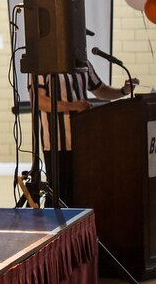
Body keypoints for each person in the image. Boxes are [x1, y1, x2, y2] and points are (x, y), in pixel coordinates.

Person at [30, 66, 135, 206]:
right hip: (57, 142)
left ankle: (80, 227)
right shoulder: (43, 61)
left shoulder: (82, 60)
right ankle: (56, 226)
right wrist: (73, 106)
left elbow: (100, 89)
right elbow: (40, 101)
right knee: (59, 195)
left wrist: (123, 91)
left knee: (82, 193)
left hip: (84, 140)